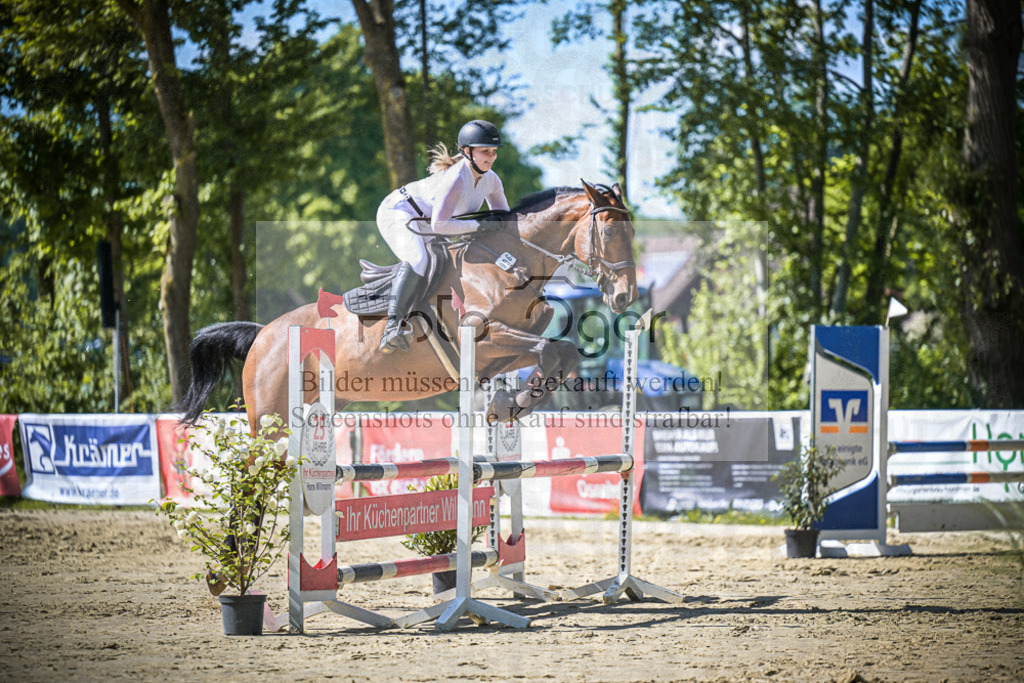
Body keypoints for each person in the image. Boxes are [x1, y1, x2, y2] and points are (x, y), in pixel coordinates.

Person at [375, 119, 511, 353]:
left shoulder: (492, 180)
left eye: (494, 152)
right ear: (467, 152)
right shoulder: (456, 179)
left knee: (453, 264)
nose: (491, 156)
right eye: (485, 151)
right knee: (419, 259)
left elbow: (505, 220)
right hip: (400, 212)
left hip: (429, 221)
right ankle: (392, 327)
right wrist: (479, 226)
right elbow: (440, 225)